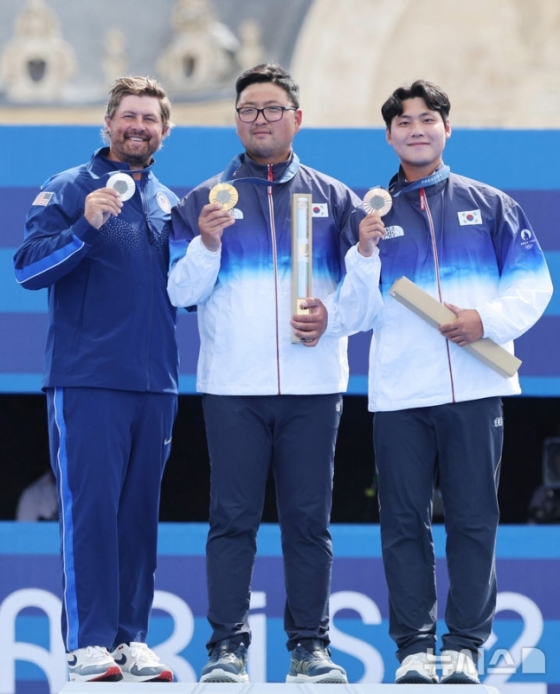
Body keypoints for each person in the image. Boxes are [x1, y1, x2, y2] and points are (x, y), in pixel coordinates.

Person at [167, 63, 383, 684]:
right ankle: (225, 650)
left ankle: (309, 648)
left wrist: (333, 318)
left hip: (314, 390)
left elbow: (363, 306)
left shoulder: (338, 199)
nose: (259, 119)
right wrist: (206, 243)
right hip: (233, 387)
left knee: (308, 523)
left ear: (296, 117)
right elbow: (180, 292)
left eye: (271, 108)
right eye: (248, 110)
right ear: (235, 120)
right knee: (232, 520)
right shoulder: (204, 201)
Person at [343, 80, 553, 684]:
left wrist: (484, 319)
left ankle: (464, 645)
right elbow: (353, 313)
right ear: (388, 136)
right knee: (402, 521)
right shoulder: (369, 215)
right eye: (403, 121)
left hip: (476, 384)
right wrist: (361, 254)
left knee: (472, 518)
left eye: (427, 118)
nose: (416, 128)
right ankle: (413, 646)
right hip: (400, 393)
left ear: (446, 128)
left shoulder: (491, 205)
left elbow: (534, 284)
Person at [13, 76, 180, 684]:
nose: (139, 127)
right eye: (129, 116)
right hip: (86, 380)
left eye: (150, 119)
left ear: (164, 131)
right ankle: (87, 642)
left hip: (157, 383)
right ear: (108, 123)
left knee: (138, 514)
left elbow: (186, 293)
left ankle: (132, 639)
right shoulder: (67, 187)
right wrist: (84, 226)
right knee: (90, 512)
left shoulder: (167, 201)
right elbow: (29, 271)